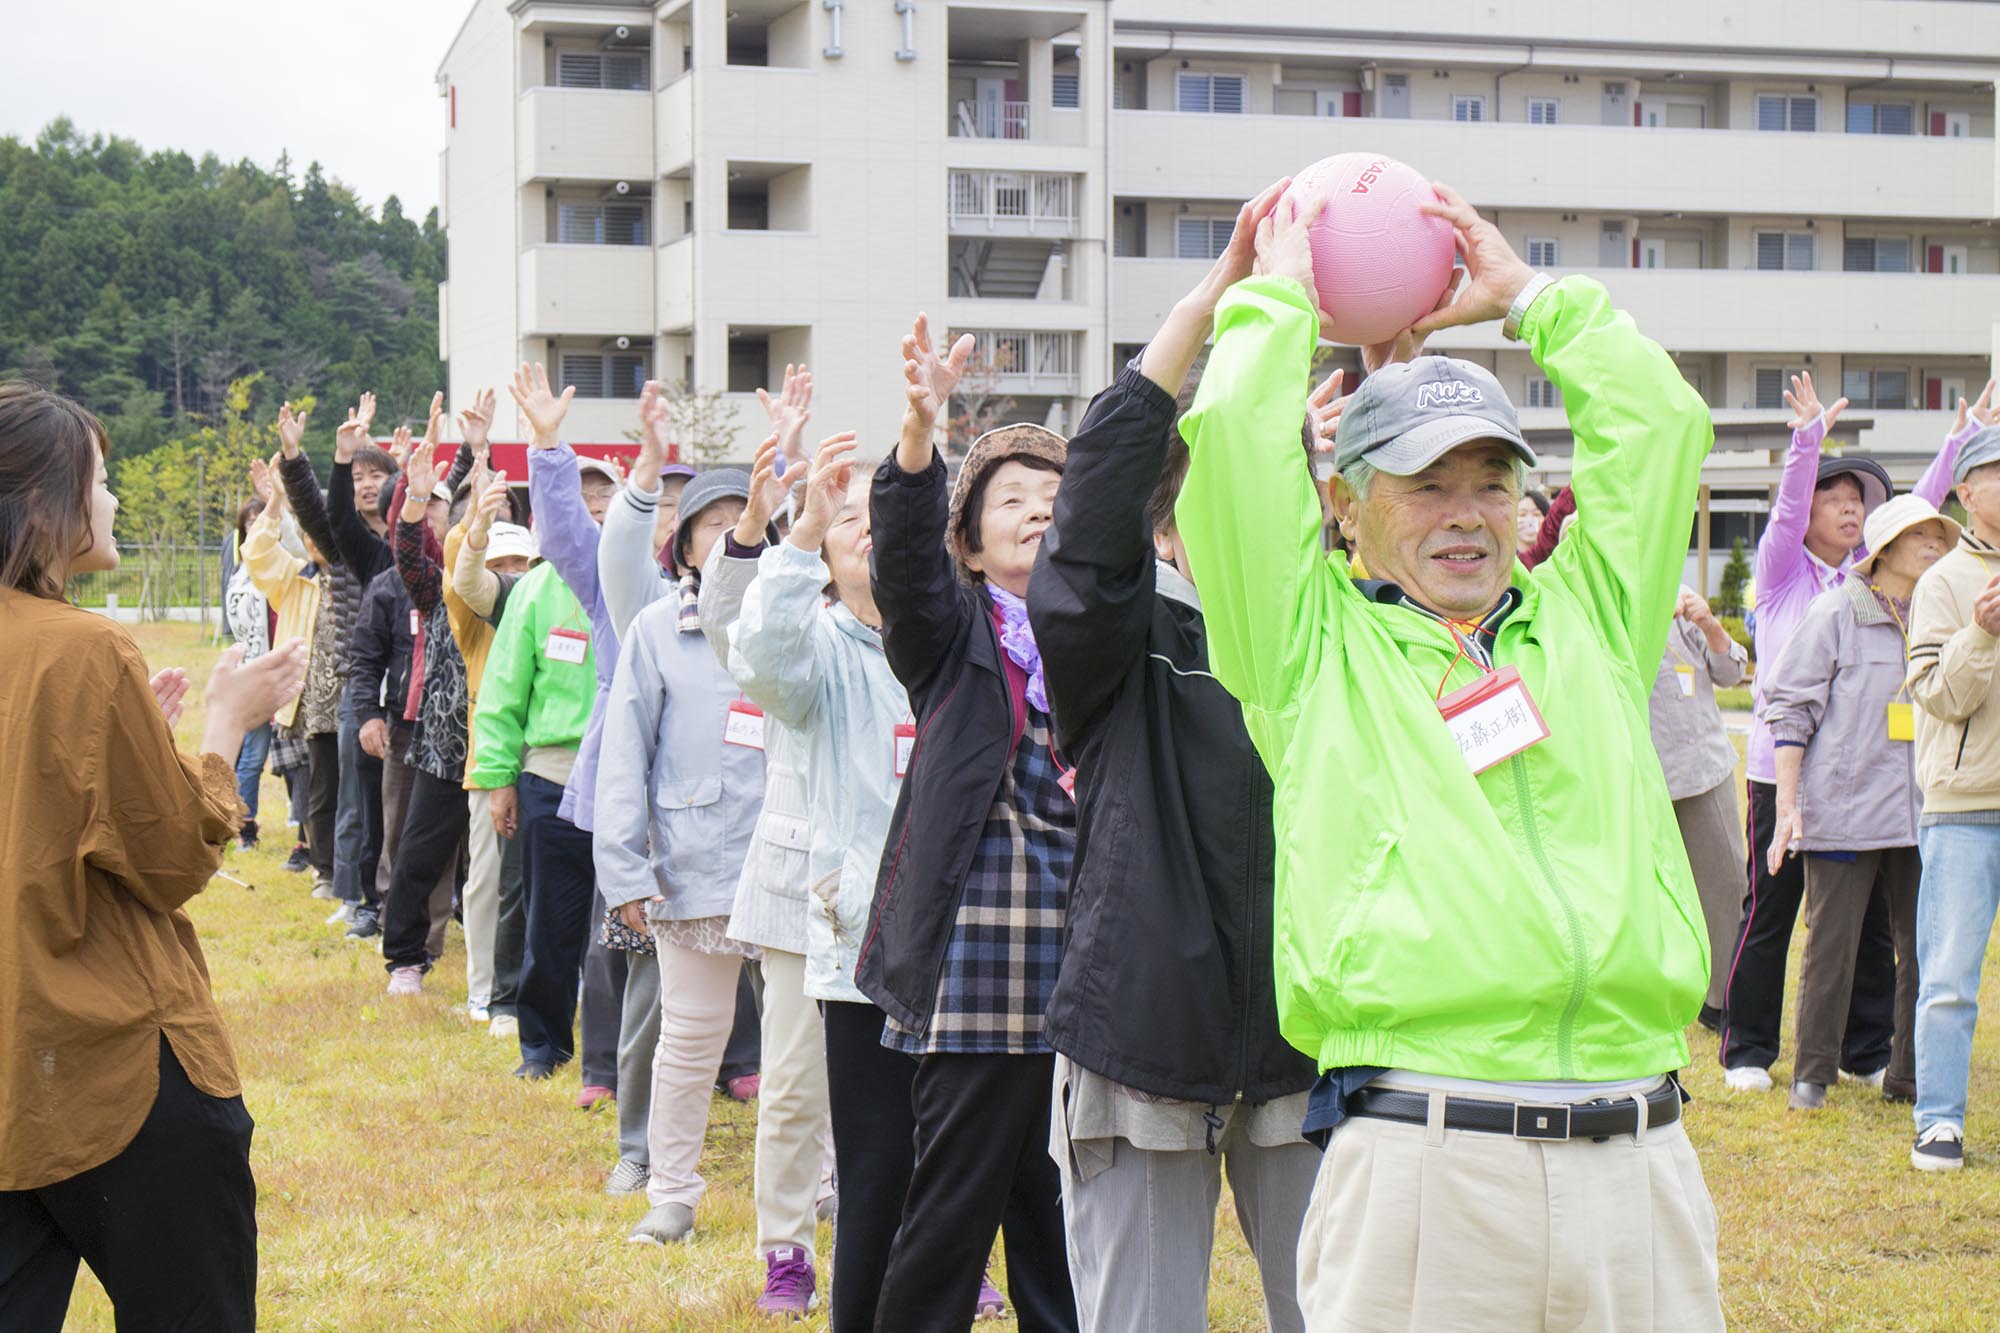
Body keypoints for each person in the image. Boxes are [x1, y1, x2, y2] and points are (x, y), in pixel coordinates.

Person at [1174, 182, 1723, 1328]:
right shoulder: (1304, 645)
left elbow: (1660, 425)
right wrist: (1273, 299)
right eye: (1424, 484)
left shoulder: (1590, 620)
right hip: (1425, 1153)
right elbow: (1228, 446)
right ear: (1345, 501)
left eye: (1491, 482)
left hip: (1637, 1142)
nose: (1464, 513)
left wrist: (1530, 298)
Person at [1025, 180, 1319, 1333]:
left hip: (1311, 1040)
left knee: (1342, 1308)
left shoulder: (1336, 640)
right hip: (1140, 1037)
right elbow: (1082, 536)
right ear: (1163, 527)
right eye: (1219, 495)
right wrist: (1201, 312)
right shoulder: (1121, 638)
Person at [0, 379, 307, 1330]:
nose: (116, 500)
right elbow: (171, 858)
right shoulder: (86, 653)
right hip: (113, 1071)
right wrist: (224, 725)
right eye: (103, 478)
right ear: (46, 501)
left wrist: (138, 736)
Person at [861, 312, 1080, 1332]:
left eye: (1054, 497)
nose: (1037, 511)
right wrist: (919, 433)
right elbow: (902, 564)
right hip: (987, 959)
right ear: (973, 537)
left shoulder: (1108, 640)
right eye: (1013, 499)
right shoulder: (954, 634)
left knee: (1057, 1203)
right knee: (953, 1203)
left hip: (1088, 962)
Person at [1723, 376, 1990, 1092]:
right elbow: (1788, 509)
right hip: (1776, 767)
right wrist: (1807, 441)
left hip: (1872, 776)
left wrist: (1961, 447)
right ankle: (1748, 1047)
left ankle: (1866, 1048)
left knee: (1870, 929)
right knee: (1773, 914)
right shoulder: (1784, 573)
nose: (1851, 509)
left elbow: (1916, 520)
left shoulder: (1879, 587)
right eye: (1835, 498)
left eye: (1859, 502)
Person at [707, 429, 893, 1320]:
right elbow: (753, 652)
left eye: (875, 513)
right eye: (846, 516)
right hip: (805, 897)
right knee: (792, 1084)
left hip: (918, 902)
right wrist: (795, 531)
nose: (864, 528)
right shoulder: (808, 638)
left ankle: (925, 1240)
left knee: (926, 1094)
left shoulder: (942, 642)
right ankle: (787, 1248)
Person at [595, 467, 771, 1247]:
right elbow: (624, 755)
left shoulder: (799, 624)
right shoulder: (658, 629)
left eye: (749, 518)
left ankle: (827, 1182)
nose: (732, 531)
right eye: (713, 522)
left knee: (810, 1043)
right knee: (691, 1039)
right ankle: (670, 1192)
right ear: (688, 545)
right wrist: (627, 870)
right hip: (691, 865)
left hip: (792, 867)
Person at [1761, 496, 1951, 1112]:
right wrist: (1788, 804)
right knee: (1831, 948)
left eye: (1938, 534)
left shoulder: (1938, 613)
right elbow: (1789, 706)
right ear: (1885, 549)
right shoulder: (1836, 609)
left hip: (1923, 810)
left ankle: (1909, 1076)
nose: (1933, 543)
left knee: (1924, 946)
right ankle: (1812, 1076)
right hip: (1844, 807)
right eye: (1918, 534)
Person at [1905, 424, 2000, 1170]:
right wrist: (1980, 633)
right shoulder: (1942, 583)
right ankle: (1938, 1121)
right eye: (1994, 472)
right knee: (1948, 975)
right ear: (1964, 492)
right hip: (1966, 808)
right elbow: (1936, 695)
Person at [277, 394, 403, 924]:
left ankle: (386, 896)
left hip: (405, 682)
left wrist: (473, 453)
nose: (367, 485)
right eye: (358, 478)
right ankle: (355, 894)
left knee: (394, 803)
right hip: (361, 679)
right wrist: (298, 458)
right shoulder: (349, 542)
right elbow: (314, 509)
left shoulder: (409, 544)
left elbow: (443, 496)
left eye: (377, 477)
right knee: (357, 795)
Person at [449, 465, 535, 1030]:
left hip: (548, 759)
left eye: (518, 564)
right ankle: (483, 989)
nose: (509, 575)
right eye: (499, 564)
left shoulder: (547, 600)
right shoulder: (475, 615)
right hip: (492, 764)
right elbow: (465, 579)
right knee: (487, 879)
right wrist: (476, 524)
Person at [1648, 588, 1750, 1030]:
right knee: (1651, 895)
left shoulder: (1679, 595)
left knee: (1727, 883)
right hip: (1646, 773)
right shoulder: (1597, 601)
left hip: (1705, 767)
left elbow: (1729, 674)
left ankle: (1724, 999)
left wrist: (1710, 624)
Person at [243, 452, 343, 898]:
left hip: (355, 700)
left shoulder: (353, 574)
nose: (313, 539)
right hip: (309, 704)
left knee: (357, 794)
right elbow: (256, 550)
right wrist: (275, 502)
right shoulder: (294, 578)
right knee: (317, 790)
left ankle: (353, 868)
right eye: (307, 532)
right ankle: (324, 869)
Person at [224, 496, 275, 850]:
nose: (254, 525)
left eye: (261, 519)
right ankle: (243, 825)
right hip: (251, 674)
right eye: (249, 521)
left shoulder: (272, 565)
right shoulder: (241, 569)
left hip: (273, 670)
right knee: (251, 755)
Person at [1516, 487, 1552, 562]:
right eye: (1522, 514)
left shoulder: (1553, 559)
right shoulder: (1504, 560)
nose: (1530, 520)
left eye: (1536, 514)